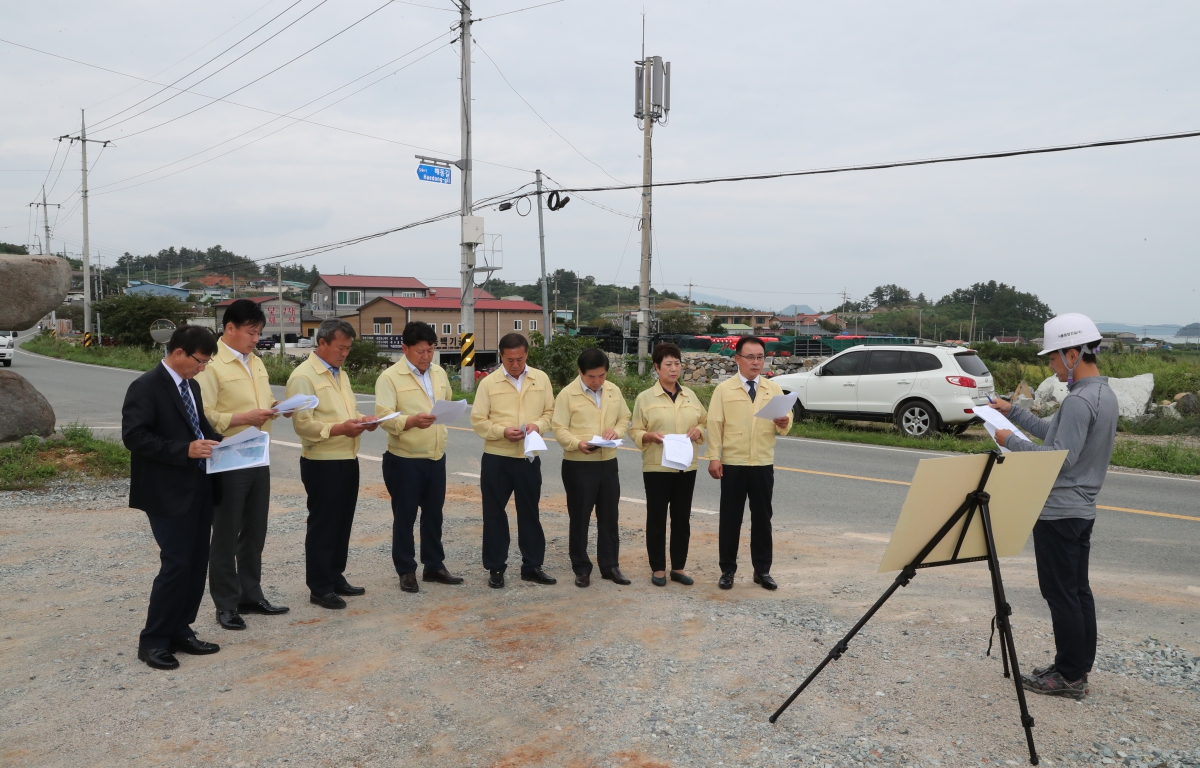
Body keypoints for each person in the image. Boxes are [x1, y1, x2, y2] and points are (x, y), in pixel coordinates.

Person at [990, 312, 1117, 700]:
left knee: (1061, 594)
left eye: (1052, 358)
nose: (1051, 365)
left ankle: (1070, 676)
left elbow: (1058, 457)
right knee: (1077, 591)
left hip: (1059, 512)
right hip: (1081, 511)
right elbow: (1057, 435)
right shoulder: (1102, 395)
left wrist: (1010, 441)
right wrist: (1014, 413)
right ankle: (1075, 666)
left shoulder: (1079, 401)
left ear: (1073, 354)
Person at [122, 325, 223, 670]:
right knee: (176, 562)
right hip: (166, 490)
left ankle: (180, 629)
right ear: (178, 353)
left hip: (199, 486)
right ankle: (153, 640)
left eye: (206, 362)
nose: (202, 368)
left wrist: (225, 443)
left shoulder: (191, 386)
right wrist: (185, 450)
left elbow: (199, 428)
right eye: (199, 361)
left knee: (196, 562)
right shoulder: (146, 386)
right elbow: (135, 437)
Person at [196, 299, 289, 631]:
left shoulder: (257, 362)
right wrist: (243, 418)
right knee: (225, 532)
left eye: (259, 333)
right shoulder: (212, 365)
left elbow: (259, 402)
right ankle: (226, 603)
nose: (255, 339)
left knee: (254, 530)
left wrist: (277, 407)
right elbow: (204, 415)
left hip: (258, 455)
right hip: (227, 457)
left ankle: (251, 594)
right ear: (230, 328)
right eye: (251, 333)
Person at [285, 319, 379, 610]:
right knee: (324, 525)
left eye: (348, 348)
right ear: (322, 343)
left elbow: (347, 412)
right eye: (340, 348)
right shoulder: (304, 377)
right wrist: (340, 429)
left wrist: (364, 421)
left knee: (342, 523)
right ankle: (320, 587)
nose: (344, 353)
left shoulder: (341, 374)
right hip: (322, 461)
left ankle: (335, 576)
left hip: (348, 457)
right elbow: (303, 425)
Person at [375, 321, 464, 593]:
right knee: (405, 517)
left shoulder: (439, 373)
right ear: (405, 349)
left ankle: (434, 565)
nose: (426, 357)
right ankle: (406, 570)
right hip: (404, 459)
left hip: (436, 456)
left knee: (434, 515)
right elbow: (384, 417)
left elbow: (446, 401)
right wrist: (410, 421)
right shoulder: (390, 377)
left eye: (430, 350)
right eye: (420, 351)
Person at [704, 336, 792, 591]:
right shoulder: (724, 390)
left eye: (760, 357)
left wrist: (785, 422)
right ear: (737, 359)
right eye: (750, 357)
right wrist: (714, 457)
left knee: (763, 519)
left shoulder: (772, 389)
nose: (756, 362)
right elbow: (715, 425)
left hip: (762, 462)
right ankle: (727, 570)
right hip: (733, 463)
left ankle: (762, 571)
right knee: (730, 519)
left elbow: (786, 417)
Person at [470, 333, 558, 589]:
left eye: (520, 359)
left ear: (527, 354)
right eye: (510, 360)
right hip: (497, 458)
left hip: (528, 458)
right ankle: (496, 567)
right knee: (494, 514)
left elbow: (551, 413)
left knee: (530, 513)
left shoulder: (540, 379)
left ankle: (532, 566)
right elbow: (478, 420)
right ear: (501, 357)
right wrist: (502, 432)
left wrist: (538, 426)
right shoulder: (489, 383)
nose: (515, 364)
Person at [551, 347, 632, 588]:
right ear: (580, 372)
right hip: (579, 464)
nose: (597, 382)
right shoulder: (567, 395)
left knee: (609, 516)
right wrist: (577, 444)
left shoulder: (613, 391)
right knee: (580, 518)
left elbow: (624, 417)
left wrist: (615, 431)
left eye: (602, 376)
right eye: (591, 377)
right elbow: (559, 428)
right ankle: (581, 568)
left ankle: (610, 566)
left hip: (608, 462)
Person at [629, 343, 707, 586]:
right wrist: (648, 436)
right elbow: (634, 430)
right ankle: (658, 568)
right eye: (668, 364)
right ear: (657, 367)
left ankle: (678, 567)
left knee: (682, 519)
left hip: (686, 467)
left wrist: (698, 430)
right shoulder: (645, 398)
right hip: (657, 468)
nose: (674, 369)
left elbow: (705, 422)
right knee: (657, 518)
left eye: (677, 364)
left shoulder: (690, 396)